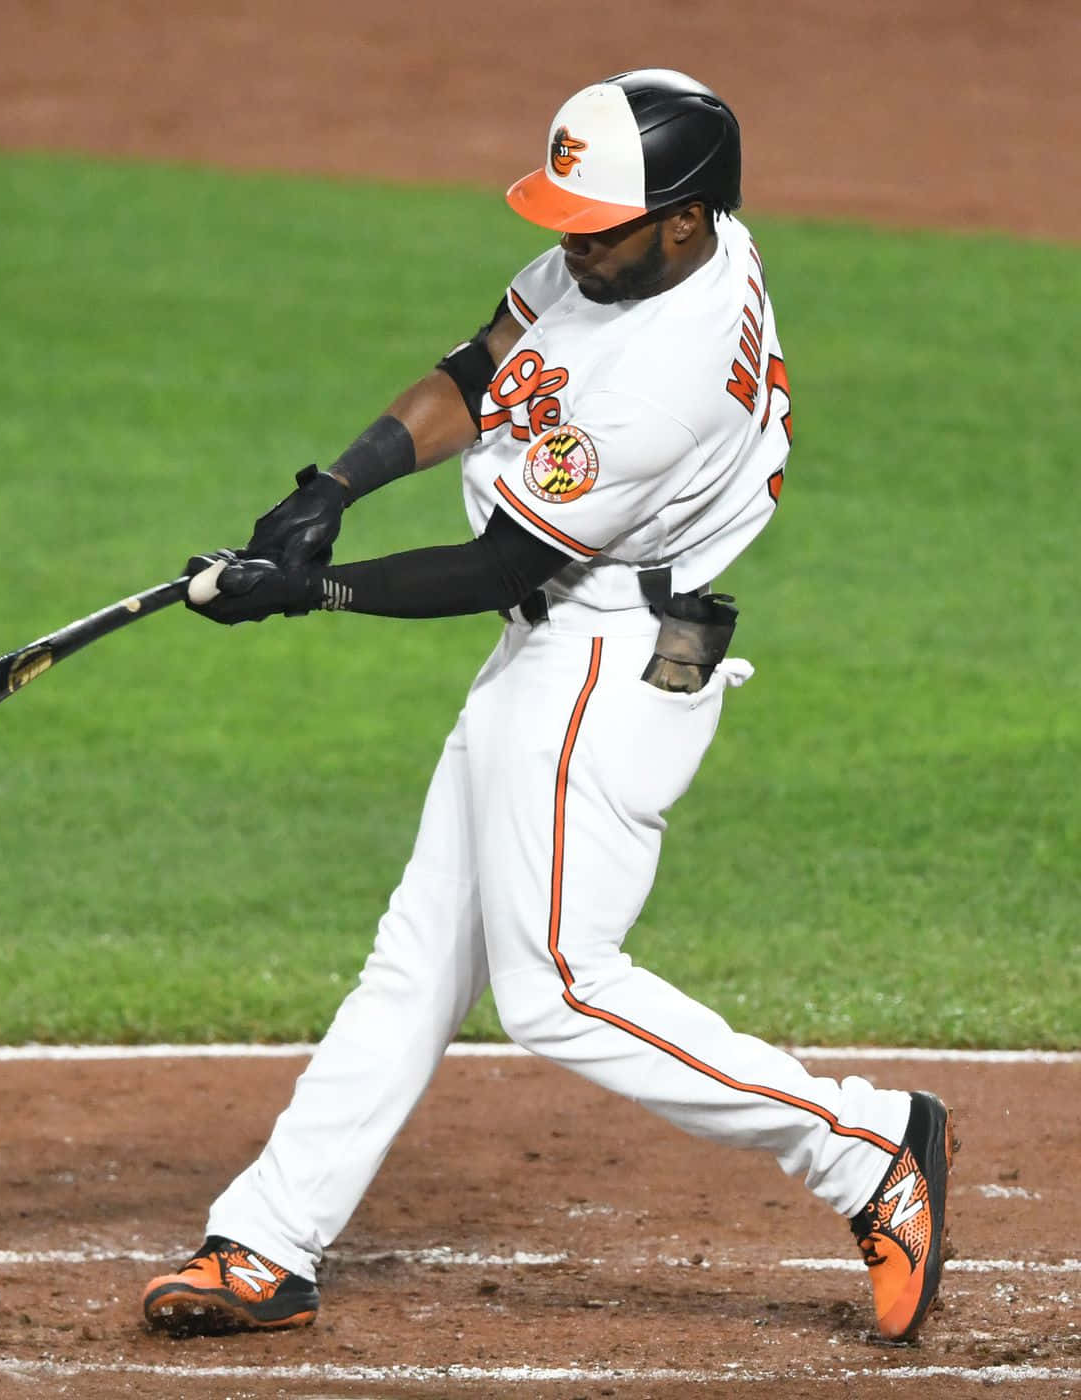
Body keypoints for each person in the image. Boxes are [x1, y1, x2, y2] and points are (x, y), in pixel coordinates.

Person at [141, 69, 954, 1344]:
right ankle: (267, 1241)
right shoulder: (652, 245)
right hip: (556, 646)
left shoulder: (663, 377)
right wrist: (332, 484)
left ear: (682, 219)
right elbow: (483, 361)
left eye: (600, 225)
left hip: (602, 659)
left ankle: (866, 1144)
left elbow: (496, 570)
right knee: (416, 963)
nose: (572, 243)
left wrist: (304, 590)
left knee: (558, 987)